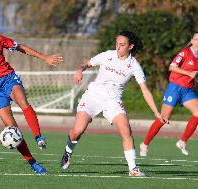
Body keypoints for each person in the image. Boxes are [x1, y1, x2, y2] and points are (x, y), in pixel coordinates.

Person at [0, 14, 63, 174]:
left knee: (23, 101)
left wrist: (45, 57)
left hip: (8, 78)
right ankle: (33, 163)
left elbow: (20, 47)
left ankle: (38, 136)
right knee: (12, 128)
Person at [60, 31, 167, 177]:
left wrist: (156, 112)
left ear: (130, 46)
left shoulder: (134, 66)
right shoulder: (107, 55)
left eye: (122, 45)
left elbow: (145, 90)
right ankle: (68, 152)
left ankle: (133, 169)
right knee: (78, 130)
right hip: (93, 96)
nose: (118, 47)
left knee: (126, 130)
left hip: (113, 100)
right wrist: (80, 70)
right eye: (117, 43)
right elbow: (86, 64)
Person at [140, 33, 198, 157]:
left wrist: (194, 79)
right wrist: (189, 73)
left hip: (188, 90)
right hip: (175, 88)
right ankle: (145, 144)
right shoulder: (184, 53)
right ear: (192, 40)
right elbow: (172, 67)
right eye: (196, 39)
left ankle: (182, 142)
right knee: (164, 118)